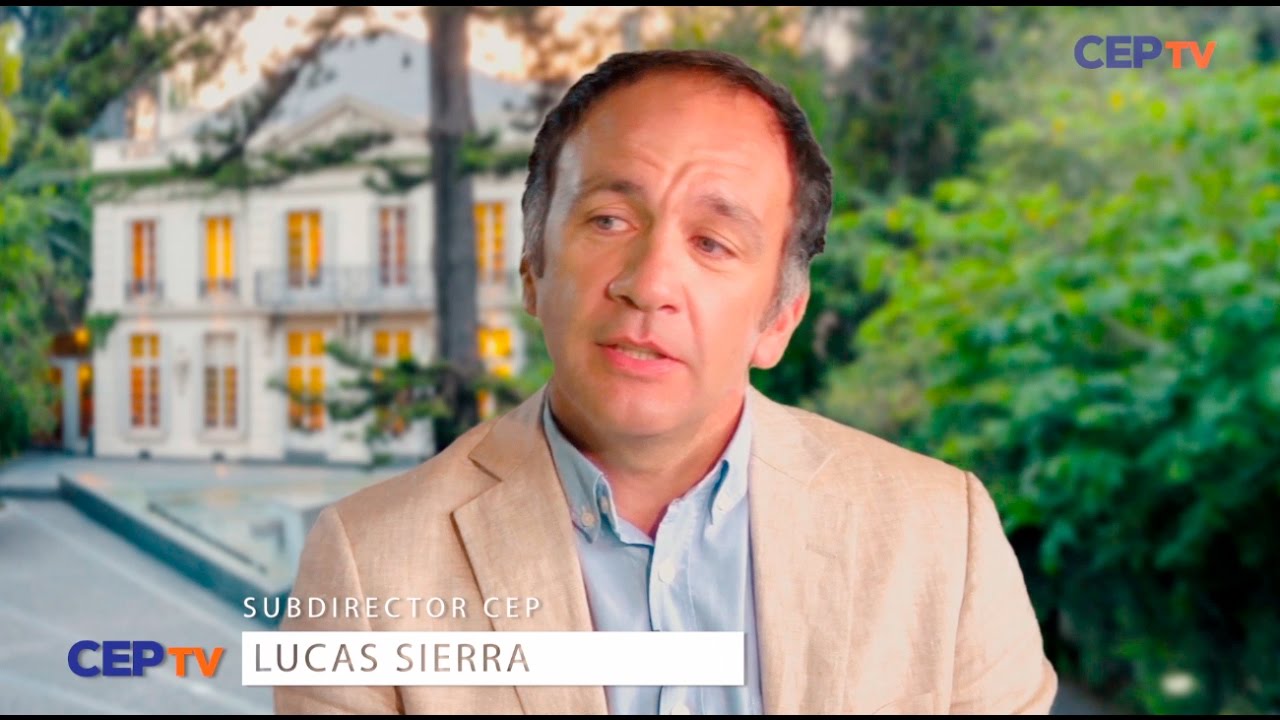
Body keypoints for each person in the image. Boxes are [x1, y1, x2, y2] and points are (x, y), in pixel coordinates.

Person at [275, 48, 1058, 715]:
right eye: (609, 221)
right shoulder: (368, 567)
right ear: (533, 269)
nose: (649, 284)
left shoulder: (942, 537)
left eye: (713, 242)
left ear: (779, 319)